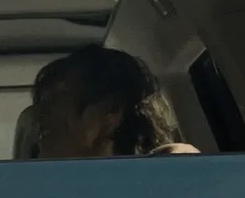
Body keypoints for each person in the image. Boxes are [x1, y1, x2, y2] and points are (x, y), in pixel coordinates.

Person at [30, 43, 199, 159]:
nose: (38, 115)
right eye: (42, 102)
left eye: (58, 98)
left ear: (110, 110)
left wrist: (182, 166)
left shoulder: (168, 179)